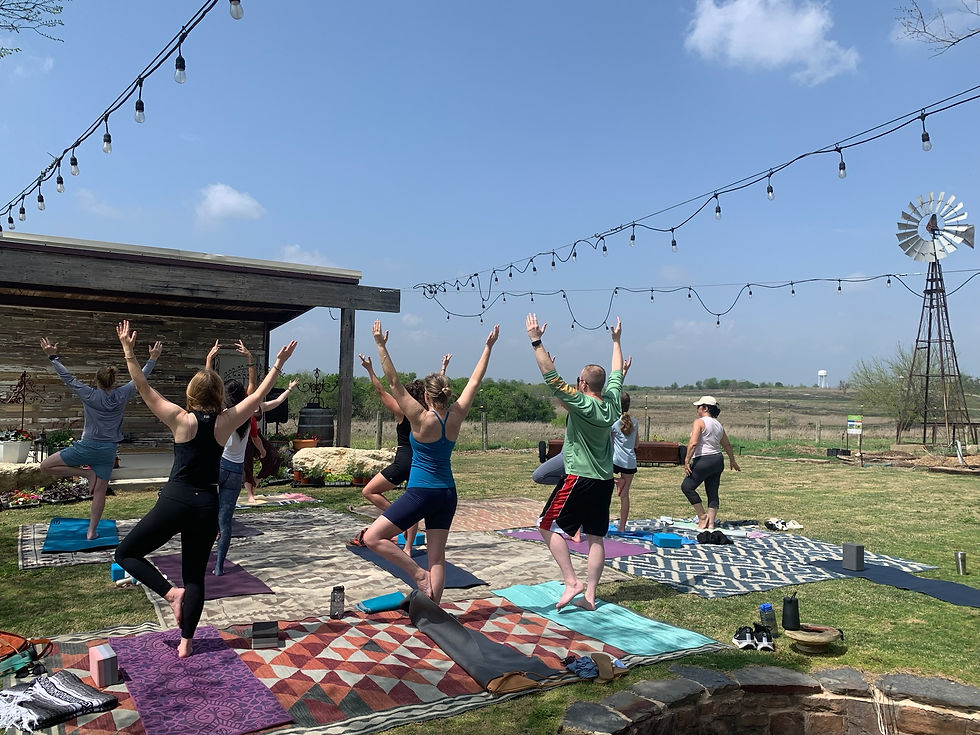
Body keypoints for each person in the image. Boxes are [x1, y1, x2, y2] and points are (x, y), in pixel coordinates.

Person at [113, 319, 296, 657]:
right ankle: (186, 643)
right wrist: (278, 364)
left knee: (126, 553)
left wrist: (128, 349)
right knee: (195, 575)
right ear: (218, 396)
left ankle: (170, 595)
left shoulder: (180, 419)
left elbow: (142, 388)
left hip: (176, 499)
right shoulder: (227, 422)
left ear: (191, 393)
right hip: (206, 505)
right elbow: (258, 395)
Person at [362, 319, 498, 602]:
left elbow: (394, 383)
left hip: (422, 492)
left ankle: (417, 574)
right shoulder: (457, 414)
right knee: (437, 557)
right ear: (447, 394)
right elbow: (475, 379)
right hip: (448, 493)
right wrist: (488, 347)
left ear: (426, 395)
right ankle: (434, 609)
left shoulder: (420, 418)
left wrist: (380, 344)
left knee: (372, 538)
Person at [526, 313, 624, 611]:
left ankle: (572, 581)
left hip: (579, 478)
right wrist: (616, 341)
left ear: (582, 383)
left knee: (546, 526)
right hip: (604, 481)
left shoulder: (582, 403)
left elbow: (551, 377)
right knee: (596, 538)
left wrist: (535, 340)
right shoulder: (613, 403)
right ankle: (590, 596)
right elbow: (617, 372)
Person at [38, 336, 161, 540]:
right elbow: (140, 379)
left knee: (45, 466)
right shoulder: (122, 394)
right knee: (100, 492)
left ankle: (86, 474)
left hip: (86, 447)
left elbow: (67, 378)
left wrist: (53, 356)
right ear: (113, 381)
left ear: (96, 381)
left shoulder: (89, 394)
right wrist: (152, 359)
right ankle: (91, 532)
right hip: (107, 451)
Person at [349, 352, 451, 553]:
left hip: (404, 461)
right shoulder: (429, 414)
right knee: (411, 502)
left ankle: (398, 518)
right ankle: (408, 548)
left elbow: (381, 391)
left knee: (369, 491)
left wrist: (370, 370)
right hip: (421, 464)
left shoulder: (403, 412)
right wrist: (443, 370)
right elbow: (438, 395)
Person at [682, 396, 740, 530]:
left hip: (704, 460)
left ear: (705, 408)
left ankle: (702, 516)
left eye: (699, 406)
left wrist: (687, 460)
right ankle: (711, 523)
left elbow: (693, 443)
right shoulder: (718, 424)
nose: (697, 409)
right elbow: (726, 444)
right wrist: (732, 460)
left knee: (687, 487)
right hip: (718, 460)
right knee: (712, 492)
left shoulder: (699, 422)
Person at [611, 389, 637, 533]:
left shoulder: (614, 423)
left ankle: (615, 480)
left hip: (615, 460)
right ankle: (622, 527)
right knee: (625, 496)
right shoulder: (635, 422)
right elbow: (636, 444)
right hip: (630, 461)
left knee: (601, 487)